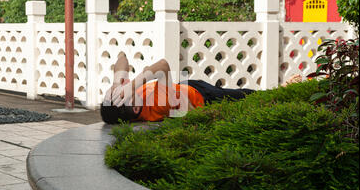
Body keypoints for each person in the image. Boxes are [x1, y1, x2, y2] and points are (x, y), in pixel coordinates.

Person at [100, 54, 263, 124]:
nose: (128, 91)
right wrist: (132, 85)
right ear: (135, 108)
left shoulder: (128, 104)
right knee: (241, 97)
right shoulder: (157, 105)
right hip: (203, 95)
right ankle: (269, 96)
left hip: (185, 87)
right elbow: (163, 65)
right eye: (128, 95)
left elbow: (122, 58)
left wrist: (117, 83)